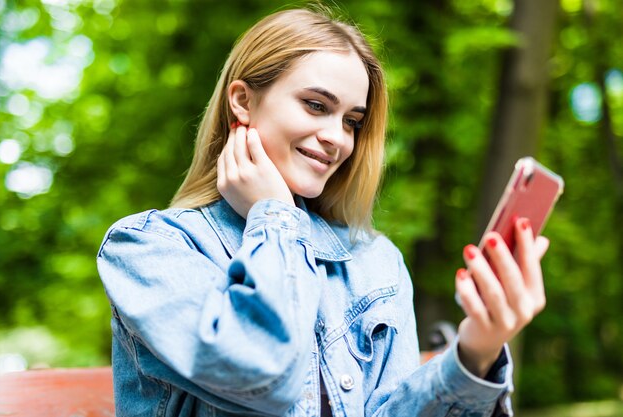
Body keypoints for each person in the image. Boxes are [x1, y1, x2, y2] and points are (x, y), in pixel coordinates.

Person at [97, 6, 549, 417]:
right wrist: (273, 216)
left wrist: (477, 349)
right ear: (242, 100)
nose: (338, 138)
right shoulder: (145, 247)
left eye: (351, 121)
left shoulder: (375, 260)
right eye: (316, 105)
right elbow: (264, 377)